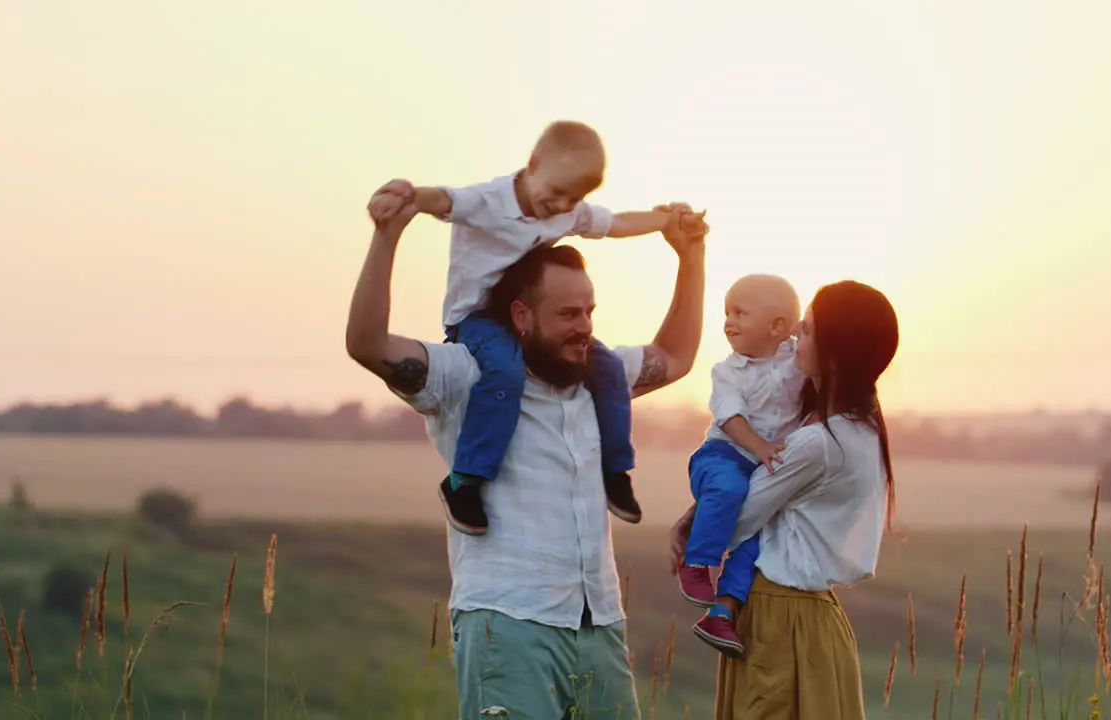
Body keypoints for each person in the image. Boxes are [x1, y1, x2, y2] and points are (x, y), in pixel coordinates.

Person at [348, 183, 708, 718]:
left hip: (599, 623)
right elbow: (368, 344)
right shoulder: (462, 375)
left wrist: (690, 257)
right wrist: (387, 237)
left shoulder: (599, 379)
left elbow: (675, 356)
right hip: (507, 621)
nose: (584, 327)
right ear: (520, 316)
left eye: (589, 311)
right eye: (568, 314)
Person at [371, 120, 681, 537]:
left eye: (572, 199)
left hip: (529, 317)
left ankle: (615, 471)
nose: (559, 206)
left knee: (604, 366)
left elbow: (616, 224)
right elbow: (443, 199)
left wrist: (664, 220)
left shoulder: (566, 209)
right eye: (554, 193)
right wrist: (406, 194)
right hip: (477, 319)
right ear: (532, 165)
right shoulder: (489, 201)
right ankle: (465, 480)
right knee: (504, 372)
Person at [668, 280, 900, 720]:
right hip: (815, 617)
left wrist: (693, 523)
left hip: (780, 617)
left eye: (808, 329)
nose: (796, 330)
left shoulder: (816, 442)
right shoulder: (860, 429)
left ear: (833, 351)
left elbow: (738, 518)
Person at [675, 274, 805, 659]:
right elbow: (729, 416)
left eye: (740, 312)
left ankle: (721, 613)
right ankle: (696, 563)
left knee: (757, 542)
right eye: (727, 312)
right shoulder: (727, 371)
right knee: (728, 490)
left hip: (760, 467)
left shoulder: (797, 360)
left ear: (778, 326)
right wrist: (761, 447)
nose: (728, 321)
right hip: (722, 456)